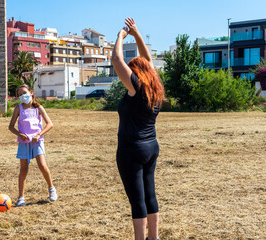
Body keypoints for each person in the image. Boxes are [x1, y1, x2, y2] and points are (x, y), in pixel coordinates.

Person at [111, 18, 165, 240]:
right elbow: (148, 60)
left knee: (138, 201)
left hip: (132, 150)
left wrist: (120, 37)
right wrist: (137, 34)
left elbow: (116, 59)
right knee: (149, 195)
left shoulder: (137, 87)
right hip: (151, 147)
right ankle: (154, 237)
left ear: (136, 73)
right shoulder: (154, 88)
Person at [8, 84, 58, 206]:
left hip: (37, 141)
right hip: (24, 143)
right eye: (19, 94)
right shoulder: (18, 108)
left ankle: (51, 189)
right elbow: (11, 126)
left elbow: (49, 124)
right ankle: (21, 197)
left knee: (42, 165)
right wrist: (19, 134)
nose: (22, 96)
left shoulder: (38, 107)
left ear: (30, 92)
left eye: (24, 93)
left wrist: (38, 134)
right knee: (24, 169)